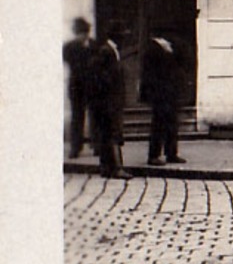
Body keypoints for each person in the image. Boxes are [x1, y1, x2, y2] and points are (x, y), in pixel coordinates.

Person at [87, 22, 132, 179]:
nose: (125, 39)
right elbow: (100, 76)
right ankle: (117, 168)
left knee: (108, 134)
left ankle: (106, 168)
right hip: (108, 102)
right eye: (123, 36)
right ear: (117, 36)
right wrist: (108, 95)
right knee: (113, 134)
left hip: (110, 101)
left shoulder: (111, 50)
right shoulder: (106, 51)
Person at [139, 35, 186, 165]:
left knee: (172, 124)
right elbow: (149, 75)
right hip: (160, 94)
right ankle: (153, 155)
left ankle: (171, 153)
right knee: (158, 125)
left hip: (170, 93)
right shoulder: (151, 49)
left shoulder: (171, 46)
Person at [63, 17, 96, 158]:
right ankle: (76, 147)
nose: (83, 36)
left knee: (95, 115)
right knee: (77, 116)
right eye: (80, 33)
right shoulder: (69, 47)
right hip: (76, 86)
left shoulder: (94, 45)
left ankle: (97, 145)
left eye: (85, 32)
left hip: (92, 84)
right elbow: (68, 61)